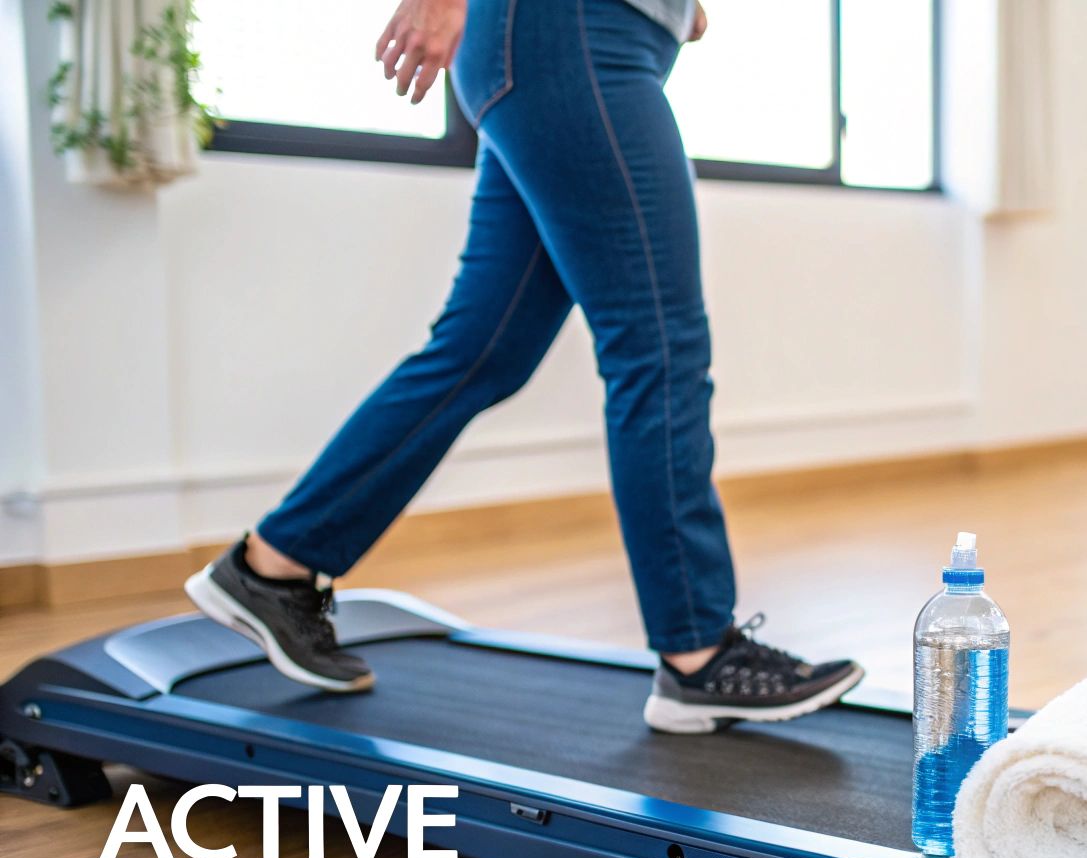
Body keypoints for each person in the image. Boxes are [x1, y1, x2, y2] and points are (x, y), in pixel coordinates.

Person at [184, 0, 863, 735]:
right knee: (657, 345)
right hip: (568, 34)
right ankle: (698, 653)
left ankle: (274, 566)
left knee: (482, 350)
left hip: (559, 47)